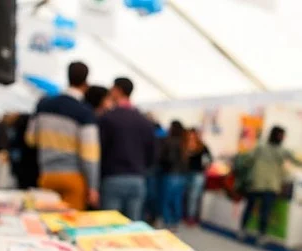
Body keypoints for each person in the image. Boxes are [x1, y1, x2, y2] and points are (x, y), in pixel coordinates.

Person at [26, 61, 100, 210]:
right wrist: (93, 187)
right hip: (73, 177)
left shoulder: (44, 105)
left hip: (47, 174)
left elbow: (30, 139)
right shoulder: (85, 112)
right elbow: (90, 155)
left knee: (46, 219)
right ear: (85, 83)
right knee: (71, 221)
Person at [98, 77, 156, 221]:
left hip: (113, 177)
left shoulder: (108, 118)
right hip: (137, 178)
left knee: (110, 224)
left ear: (118, 90)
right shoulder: (145, 121)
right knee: (132, 225)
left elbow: (99, 150)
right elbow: (152, 153)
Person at [239, 126, 296, 243]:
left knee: (253, 208)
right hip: (267, 184)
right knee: (263, 210)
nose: (282, 138)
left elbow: (248, 159)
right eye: (281, 135)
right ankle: (259, 234)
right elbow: (294, 160)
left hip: (259, 183)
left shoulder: (262, 147)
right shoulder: (278, 150)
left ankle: (246, 230)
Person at [159, 120, 188, 229]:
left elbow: (167, 158)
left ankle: (167, 222)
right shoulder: (184, 142)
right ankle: (175, 221)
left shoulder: (169, 142)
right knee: (177, 200)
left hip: (170, 174)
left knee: (166, 200)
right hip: (182, 175)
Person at [185, 128, 212, 224]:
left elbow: (208, 160)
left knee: (194, 196)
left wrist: (205, 166)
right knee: (188, 196)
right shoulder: (184, 146)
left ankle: (191, 216)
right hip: (186, 174)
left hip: (198, 174)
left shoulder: (202, 147)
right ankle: (187, 214)